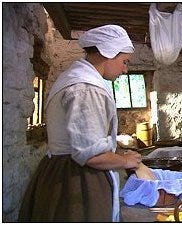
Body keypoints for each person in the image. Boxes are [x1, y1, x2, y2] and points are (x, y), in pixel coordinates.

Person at [19, 25, 143, 222]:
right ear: (107, 53)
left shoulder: (74, 78)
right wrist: (125, 161)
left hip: (61, 171)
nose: (125, 69)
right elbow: (91, 155)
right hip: (75, 181)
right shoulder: (86, 88)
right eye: (124, 61)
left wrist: (119, 155)